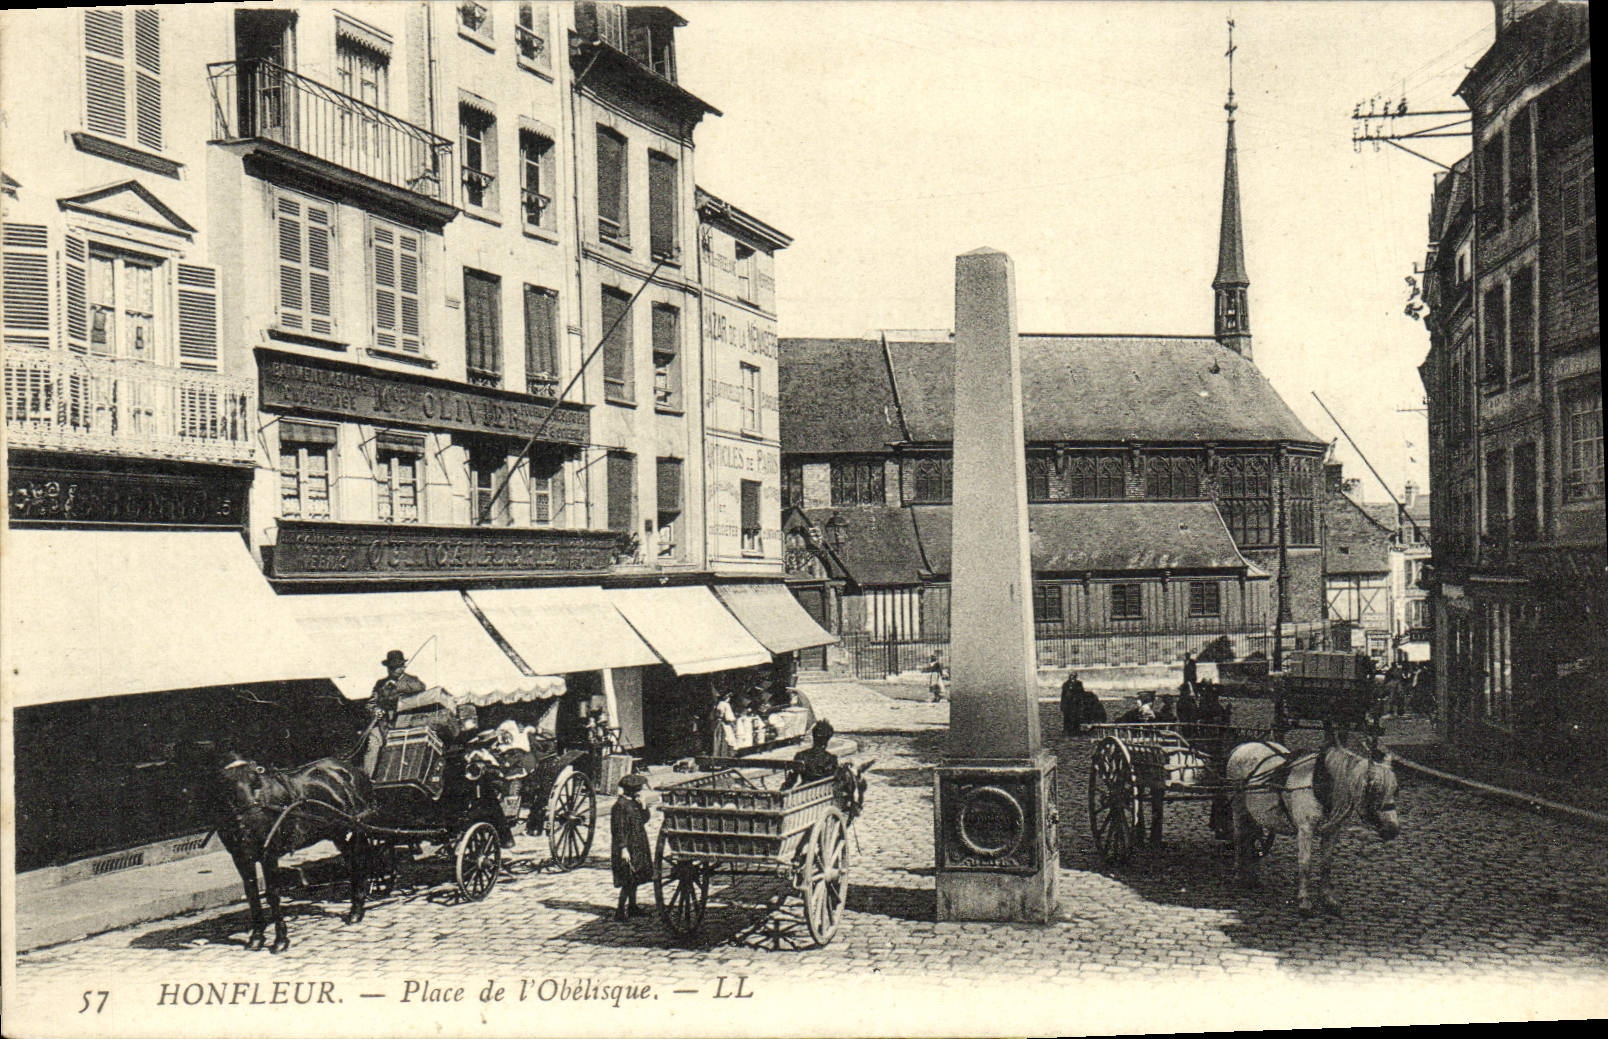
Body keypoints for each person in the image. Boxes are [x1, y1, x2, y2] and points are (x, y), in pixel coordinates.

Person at [610, 774, 654, 921]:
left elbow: (644, 819)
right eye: (637, 789)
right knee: (627, 879)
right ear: (630, 790)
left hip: (637, 844)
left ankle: (633, 907)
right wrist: (623, 849)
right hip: (626, 846)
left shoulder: (634, 802)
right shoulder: (620, 806)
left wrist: (643, 806)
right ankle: (620, 910)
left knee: (635, 877)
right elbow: (618, 830)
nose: (639, 792)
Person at [785, 720, 840, 788]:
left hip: (805, 793)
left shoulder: (801, 756)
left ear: (813, 737)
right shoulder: (832, 759)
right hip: (825, 794)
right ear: (827, 739)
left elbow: (791, 781)